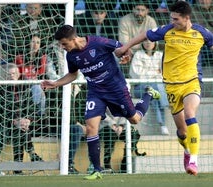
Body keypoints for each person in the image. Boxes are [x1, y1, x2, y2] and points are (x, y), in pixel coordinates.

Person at [41, 25, 161, 180]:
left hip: (116, 88)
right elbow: (73, 75)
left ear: (73, 39)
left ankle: (149, 94)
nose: (62, 47)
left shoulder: (98, 42)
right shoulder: (71, 56)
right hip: (95, 92)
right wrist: (56, 83)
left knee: (135, 119)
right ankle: (97, 169)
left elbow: (123, 48)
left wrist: (127, 55)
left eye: (64, 44)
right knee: (91, 127)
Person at [115, 1, 213, 176]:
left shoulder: (201, 32)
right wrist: (125, 47)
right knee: (182, 132)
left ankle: (194, 160)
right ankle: (186, 149)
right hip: (172, 86)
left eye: (175, 19)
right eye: (171, 18)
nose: (172, 21)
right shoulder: (167, 31)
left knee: (190, 113)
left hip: (192, 81)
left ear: (186, 18)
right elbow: (145, 35)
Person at [0, 63, 43, 175]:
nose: (12, 76)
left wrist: (28, 119)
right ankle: (32, 155)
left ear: (18, 74)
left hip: (20, 124)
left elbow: (31, 107)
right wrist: (14, 120)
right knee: (9, 131)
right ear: (4, 75)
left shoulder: (24, 88)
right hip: (3, 123)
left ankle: (18, 168)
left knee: (21, 130)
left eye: (14, 73)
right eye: (9, 74)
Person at [129, 39, 170, 135]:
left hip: (154, 88)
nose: (148, 43)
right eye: (145, 41)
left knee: (154, 94)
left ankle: (162, 124)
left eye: (150, 41)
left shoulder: (160, 55)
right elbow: (137, 75)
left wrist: (149, 74)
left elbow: (164, 74)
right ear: (142, 43)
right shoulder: (138, 55)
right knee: (156, 87)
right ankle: (166, 104)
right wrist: (155, 72)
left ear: (155, 43)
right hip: (140, 87)